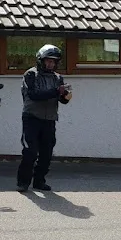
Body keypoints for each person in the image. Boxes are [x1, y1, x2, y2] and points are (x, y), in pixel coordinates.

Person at [17, 44, 71, 192]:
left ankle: (39, 181)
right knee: (30, 152)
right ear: (41, 60)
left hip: (50, 119)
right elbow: (34, 95)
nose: (50, 64)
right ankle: (23, 182)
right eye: (48, 61)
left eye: (53, 61)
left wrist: (65, 95)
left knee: (47, 154)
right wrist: (55, 91)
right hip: (32, 118)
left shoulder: (58, 77)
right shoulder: (31, 74)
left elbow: (62, 100)